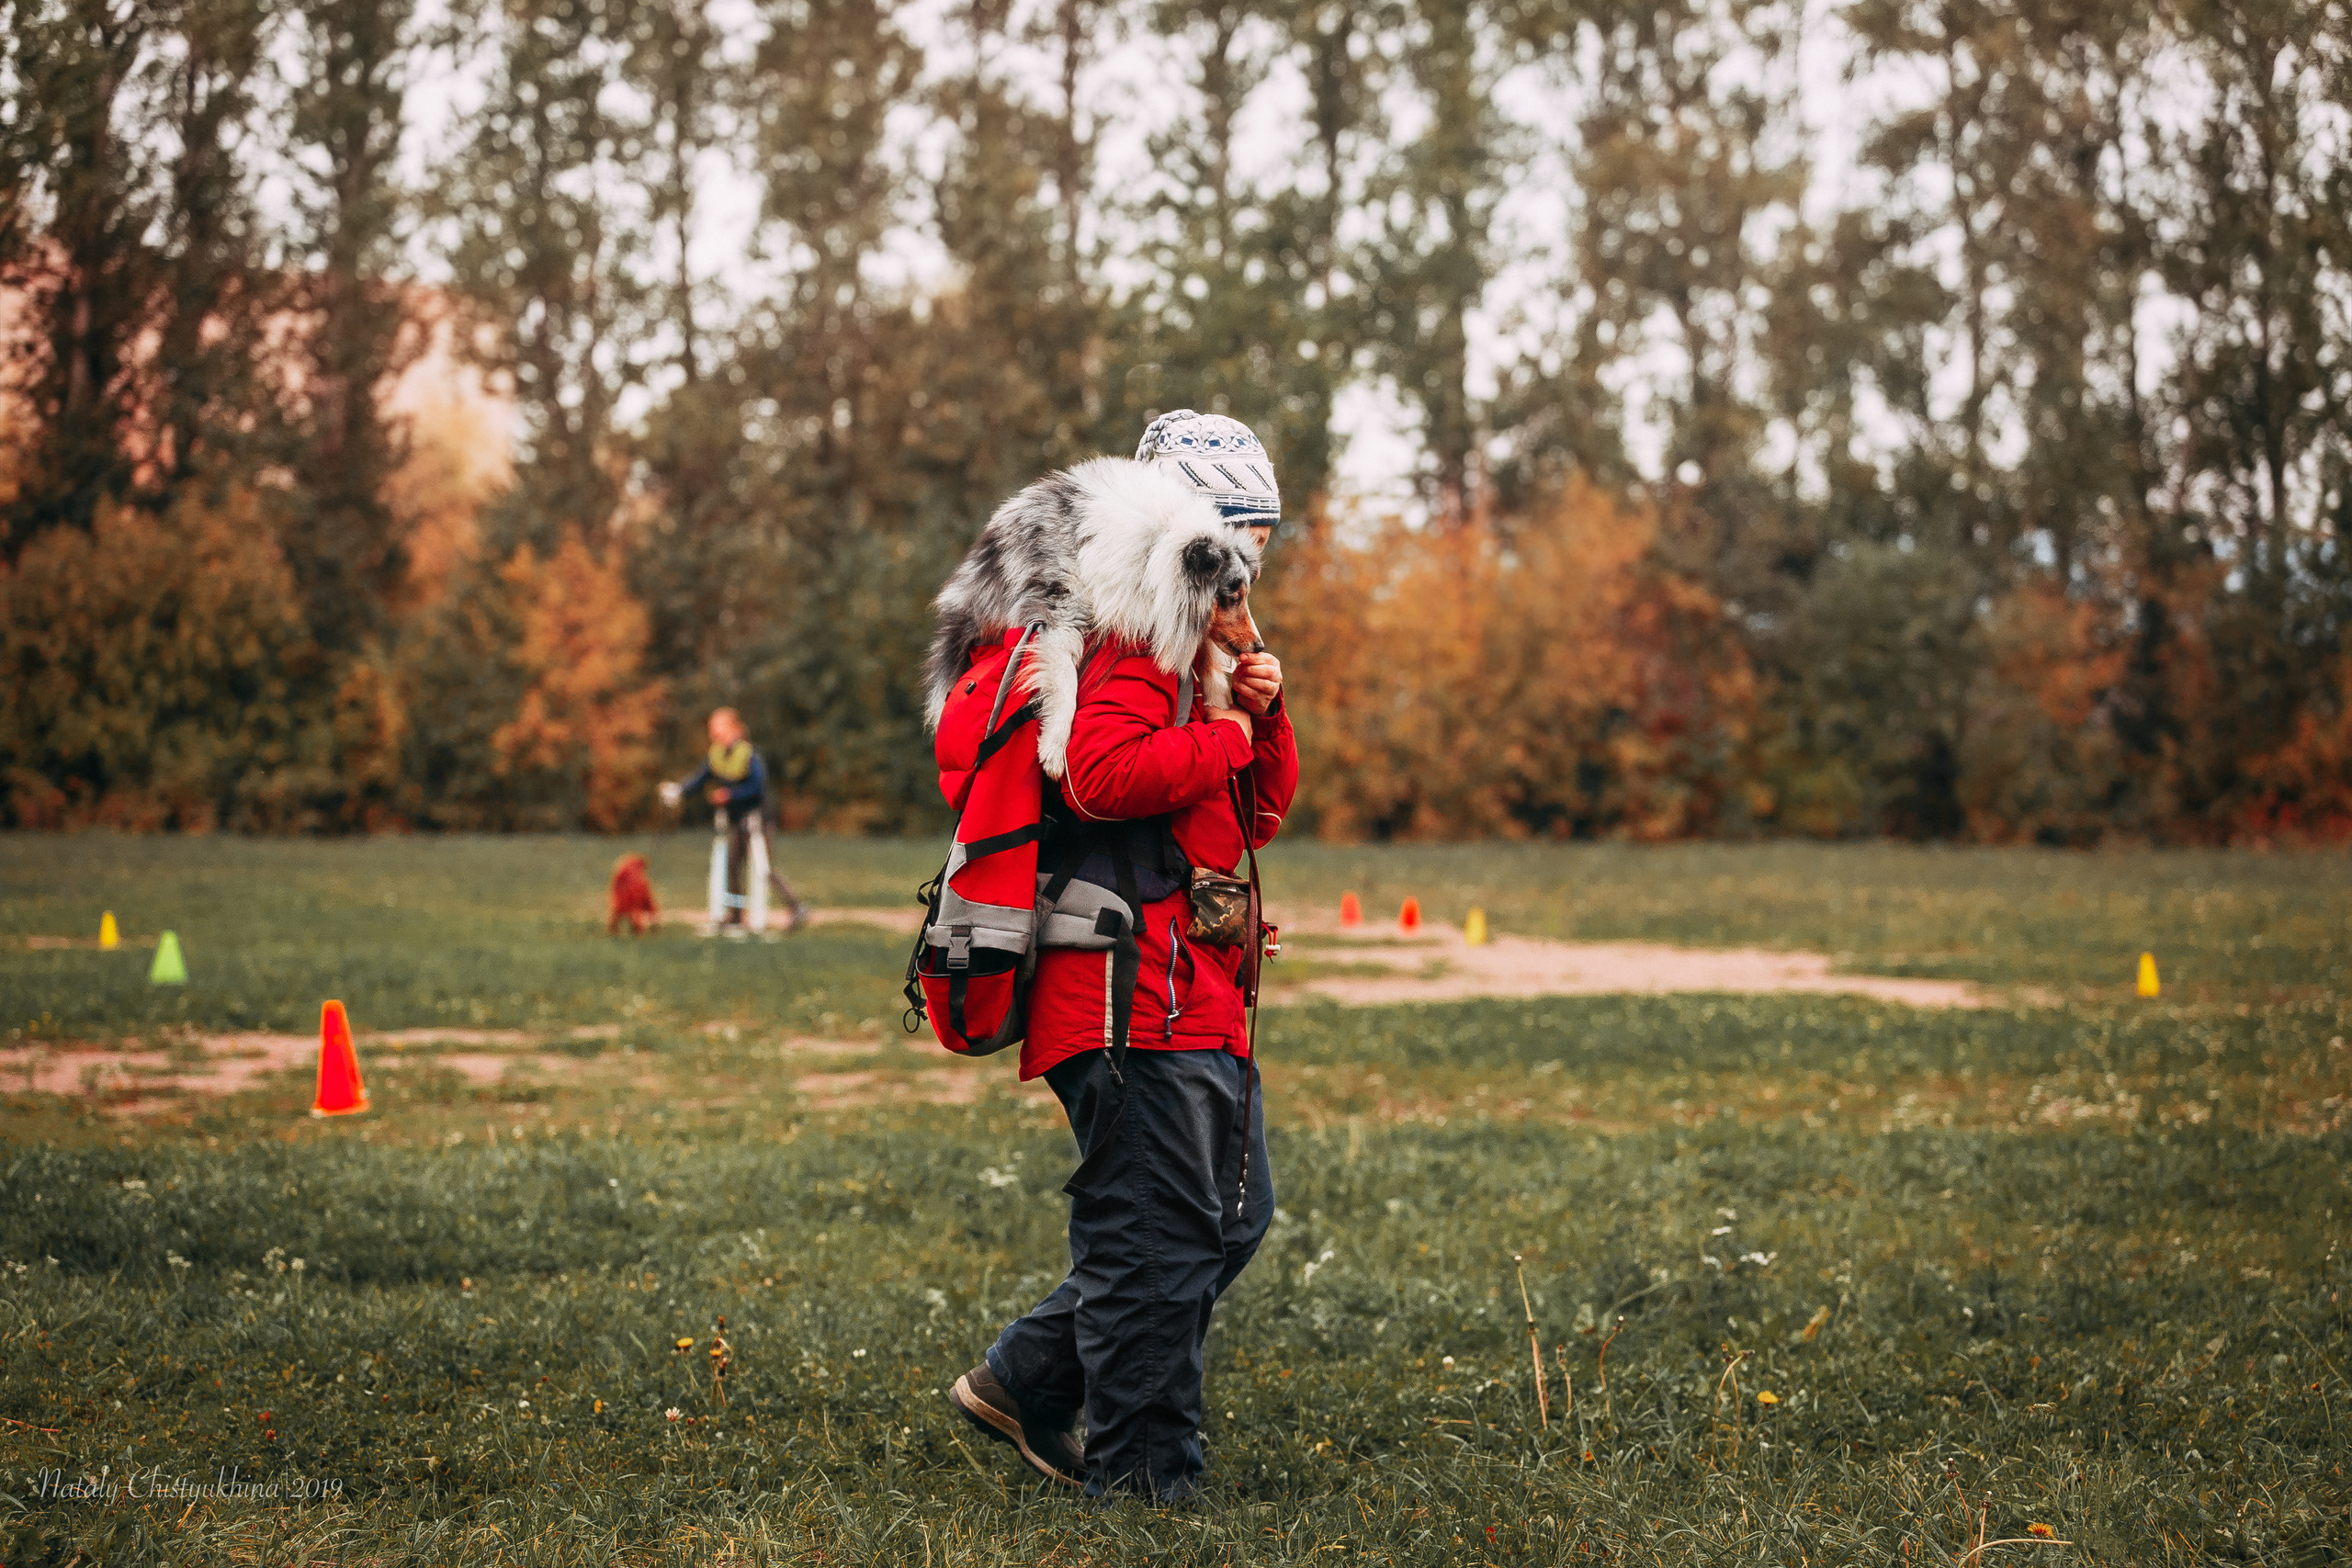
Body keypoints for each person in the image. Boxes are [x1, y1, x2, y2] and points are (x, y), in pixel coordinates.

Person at [947, 411, 1296, 1503]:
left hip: (1192, 988)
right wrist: (1224, 736)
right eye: (1245, 549)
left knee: (1230, 1219)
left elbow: (1256, 818)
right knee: (1151, 1243)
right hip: (1126, 991)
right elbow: (1096, 773)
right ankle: (1146, 1481)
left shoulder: (1191, 648)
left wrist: (1260, 716)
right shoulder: (1131, 638)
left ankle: (1023, 1380)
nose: (1251, 580)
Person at [659, 707, 809, 934]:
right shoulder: (716, 754)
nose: (713, 732)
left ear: (733, 728)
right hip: (736, 820)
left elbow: (757, 787)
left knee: (764, 867)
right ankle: (736, 915)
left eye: (717, 726)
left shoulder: (748, 755)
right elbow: (700, 779)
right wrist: (679, 790)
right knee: (733, 867)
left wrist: (730, 795)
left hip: (757, 819)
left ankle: (796, 907)